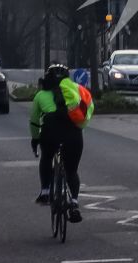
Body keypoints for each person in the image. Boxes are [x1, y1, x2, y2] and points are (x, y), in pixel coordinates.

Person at [29, 63, 92, 221]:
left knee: (47, 158)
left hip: (50, 134)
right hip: (73, 135)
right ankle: (75, 203)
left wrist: (35, 139)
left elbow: (34, 122)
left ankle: (45, 191)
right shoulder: (76, 91)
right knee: (72, 171)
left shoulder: (40, 95)